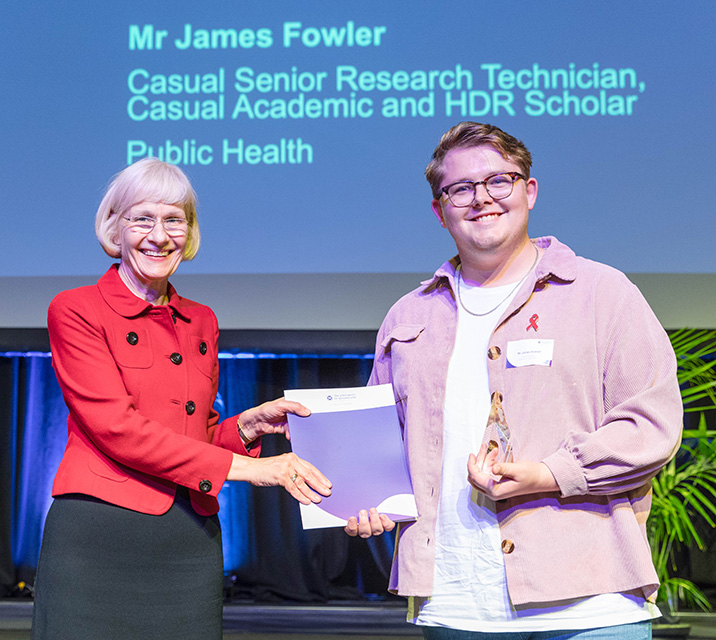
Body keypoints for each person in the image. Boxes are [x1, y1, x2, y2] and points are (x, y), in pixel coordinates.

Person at [346, 122, 683, 640]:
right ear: (440, 211)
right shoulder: (408, 316)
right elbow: (378, 446)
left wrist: (550, 474)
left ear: (529, 191)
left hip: (589, 602)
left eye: (499, 181)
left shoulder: (601, 293)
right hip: (455, 602)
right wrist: (363, 501)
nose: (482, 199)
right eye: (460, 189)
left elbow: (651, 426)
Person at [31, 158, 331, 640]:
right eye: (142, 219)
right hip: (100, 537)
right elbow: (118, 429)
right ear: (114, 226)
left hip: (187, 539)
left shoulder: (201, 320)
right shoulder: (75, 309)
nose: (159, 234)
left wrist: (247, 426)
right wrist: (256, 470)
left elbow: (195, 438)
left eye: (174, 219)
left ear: (189, 232)